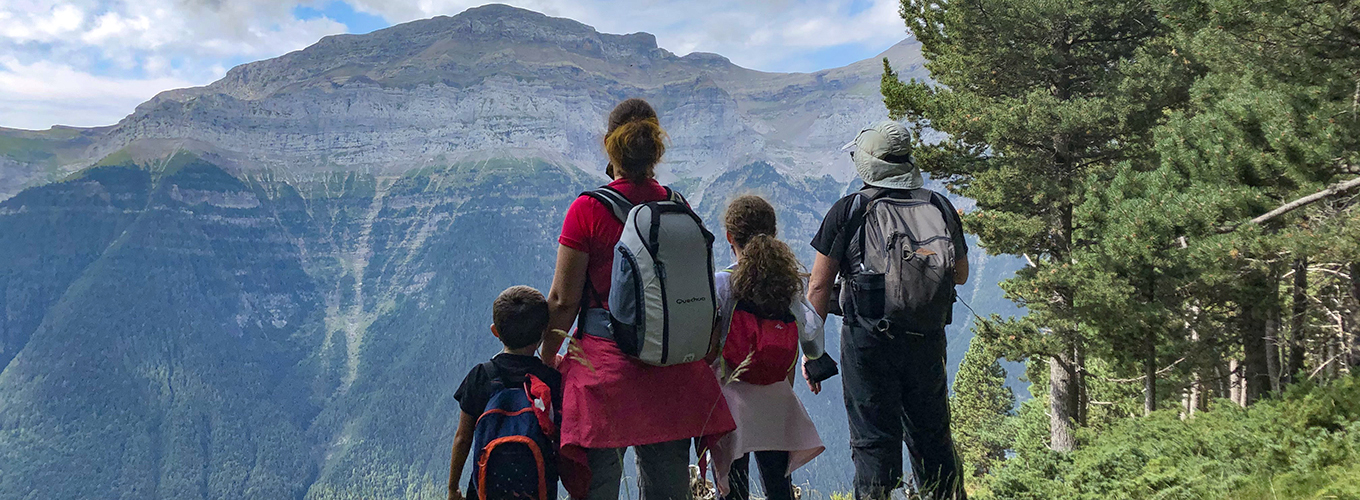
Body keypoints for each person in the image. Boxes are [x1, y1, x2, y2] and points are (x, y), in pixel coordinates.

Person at [540, 98, 735, 500]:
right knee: (667, 488)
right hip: (671, 368)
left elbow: (562, 300)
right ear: (655, 150)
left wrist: (544, 359)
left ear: (609, 148)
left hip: (602, 370)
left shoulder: (587, 210)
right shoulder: (678, 205)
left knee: (600, 488)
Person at [806, 121, 970, 500]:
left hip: (868, 346)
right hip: (928, 342)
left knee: (873, 444)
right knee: (933, 439)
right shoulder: (938, 205)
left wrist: (813, 353)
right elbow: (959, 275)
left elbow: (817, 285)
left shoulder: (850, 209)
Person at [709, 195, 826, 500]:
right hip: (777, 396)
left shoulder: (722, 283)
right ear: (773, 234)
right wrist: (811, 359)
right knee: (778, 483)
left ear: (729, 237)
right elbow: (812, 337)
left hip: (731, 395)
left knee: (733, 486)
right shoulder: (788, 284)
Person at [448, 285, 565, 500]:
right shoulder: (550, 379)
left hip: (485, 488)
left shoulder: (481, 375)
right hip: (539, 489)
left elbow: (462, 438)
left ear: (495, 331)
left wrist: (453, 487)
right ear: (544, 331)